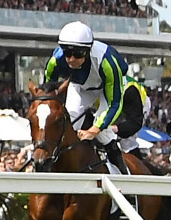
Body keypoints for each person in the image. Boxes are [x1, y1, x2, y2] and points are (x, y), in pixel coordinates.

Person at [44, 19, 142, 159]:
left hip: (106, 88)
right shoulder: (54, 62)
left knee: (102, 130)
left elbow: (114, 104)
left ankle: (121, 170)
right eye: (67, 52)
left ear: (88, 50)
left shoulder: (106, 62)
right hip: (80, 87)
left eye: (78, 53)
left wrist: (94, 130)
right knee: (68, 123)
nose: (71, 59)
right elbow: (47, 97)